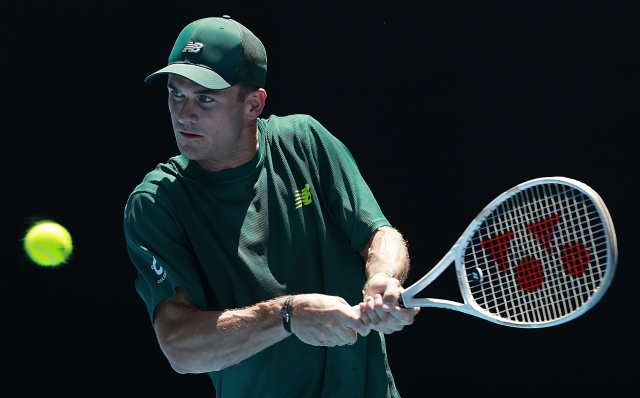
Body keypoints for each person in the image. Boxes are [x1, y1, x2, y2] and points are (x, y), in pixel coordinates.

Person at [123, 15, 419, 397]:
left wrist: (383, 276)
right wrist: (287, 316)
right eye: (176, 93)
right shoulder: (155, 204)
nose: (184, 114)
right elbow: (179, 346)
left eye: (205, 98)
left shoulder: (305, 141)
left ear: (253, 105)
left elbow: (380, 234)